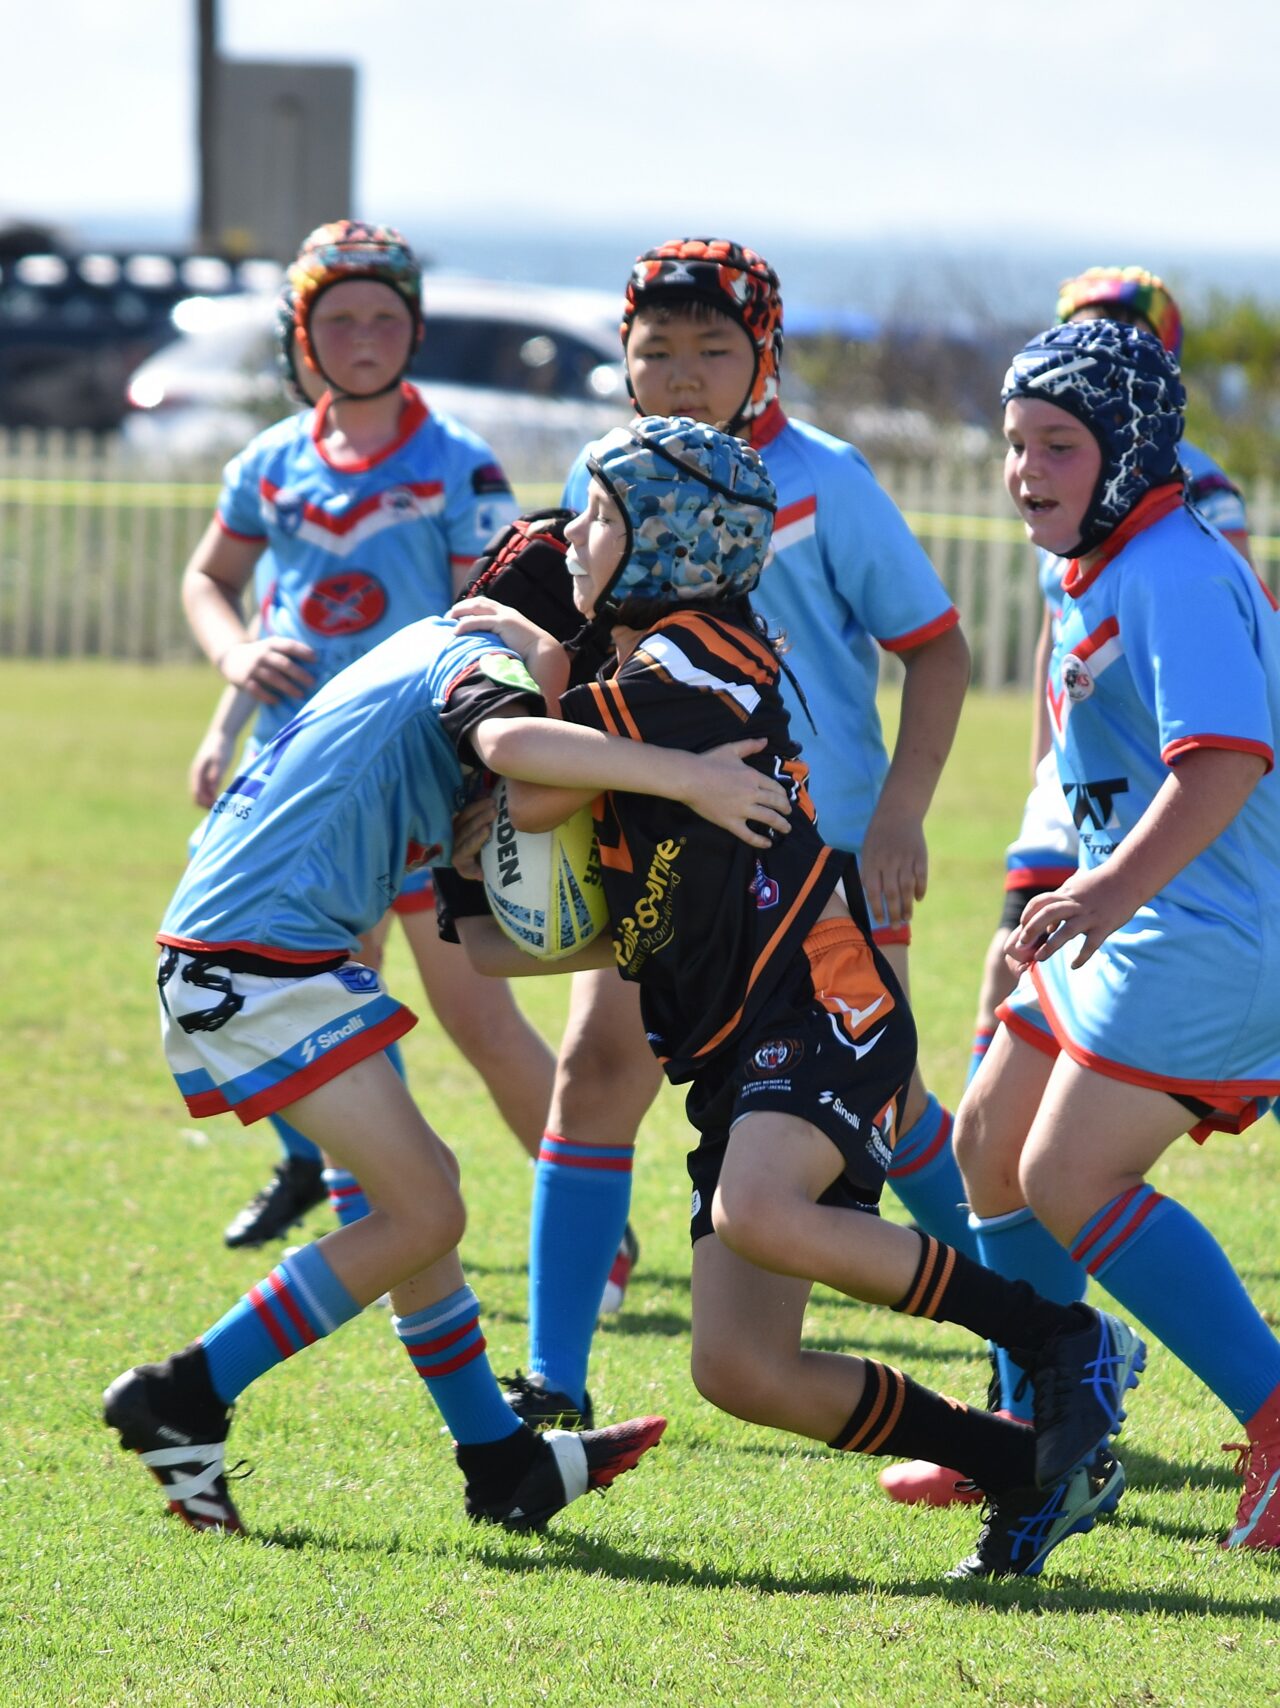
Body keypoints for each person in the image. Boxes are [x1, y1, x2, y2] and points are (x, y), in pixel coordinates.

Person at [451, 415, 1144, 1579]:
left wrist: (535, 666)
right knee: (739, 1367)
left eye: (599, 515)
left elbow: (524, 780)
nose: (573, 536)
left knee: (756, 1211)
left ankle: (1060, 1335)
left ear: (669, 540)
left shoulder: (695, 654)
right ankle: (1024, 1465)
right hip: (736, 1053)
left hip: (817, 1007)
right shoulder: (635, 694)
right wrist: (464, 863)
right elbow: (500, 947)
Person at [101, 580, 806, 1533]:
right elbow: (516, 741)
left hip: (268, 954)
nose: (617, 693)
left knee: (421, 1198)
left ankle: (499, 1460)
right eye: (613, 668)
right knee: (426, 1210)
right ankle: (182, 1395)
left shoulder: (455, 691)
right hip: (254, 960)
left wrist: (678, 930)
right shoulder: (477, 661)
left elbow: (488, 943)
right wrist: (686, 777)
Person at [505, 238, 972, 1429]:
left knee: (892, 1105)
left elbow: (936, 648)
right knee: (593, 1071)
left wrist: (900, 816)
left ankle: (1034, 1343)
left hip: (818, 858)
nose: (680, 372)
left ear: (763, 356)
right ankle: (553, 1382)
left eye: (712, 348)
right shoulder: (602, 474)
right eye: (654, 348)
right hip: (654, 846)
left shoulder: (824, 479)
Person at [885, 267, 1257, 1508]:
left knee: (1066, 1176)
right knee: (987, 1145)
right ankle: (1037, 1424)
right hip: (1128, 912)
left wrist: (1094, 896)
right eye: (1012, 443)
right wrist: (1052, 889)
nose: (1022, 470)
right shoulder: (1091, 557)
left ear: (1130, 448)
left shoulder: (1176, 569)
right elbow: (1079, 761)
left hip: (1211, 927)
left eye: (1056, 444)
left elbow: (1218, 769)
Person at [177, 220, 557, 1251]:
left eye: (383, 318)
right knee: (315, 1004)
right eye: (337, 319)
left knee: (478, 1018)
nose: (362, 338)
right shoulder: (269, 462)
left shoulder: (457, 464)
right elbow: (215, 581)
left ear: (414, 330)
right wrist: (232, 666)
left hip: (417, 781)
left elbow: (489, 624)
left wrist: (487, 780)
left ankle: (589, 1225)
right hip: (298, 786)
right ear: (301, 337)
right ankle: (369, 1211)